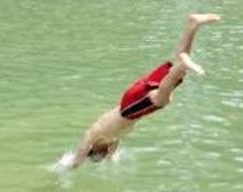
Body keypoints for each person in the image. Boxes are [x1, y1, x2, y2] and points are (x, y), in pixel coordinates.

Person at [65, 13, 221, 170]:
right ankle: (192, 25)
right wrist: (111, 160)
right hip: (130, 102)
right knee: (175, 69)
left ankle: (182, 66)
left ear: (94, 151)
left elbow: (78, 158)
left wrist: (67, 168)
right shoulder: (112, 139)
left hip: (129, 108)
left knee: (162, 100)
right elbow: (113, 151)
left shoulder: (92, 136)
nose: (105, 154)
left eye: (101, 154)